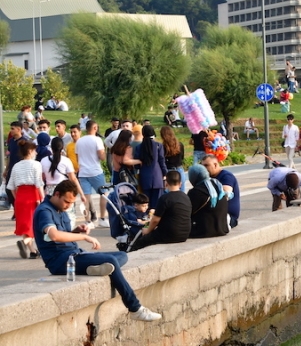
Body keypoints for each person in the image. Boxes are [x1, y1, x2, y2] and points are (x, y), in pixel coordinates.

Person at [33, 180, 161, 321]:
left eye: (71, 203)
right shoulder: (44, 211)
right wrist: (83, 237)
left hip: (75, 254)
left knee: (122, 255)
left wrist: (76, 230)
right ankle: (135, 308)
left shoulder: (60, 209)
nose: (68, 206)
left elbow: (63, 234)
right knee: (112, 261)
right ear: (56, 194)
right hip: (61, 261)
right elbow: (54, 235)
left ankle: (92, 268)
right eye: (66, 202)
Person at [128, 171, 191, 252]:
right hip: (184, 234)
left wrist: (147, 231)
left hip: (169, 235)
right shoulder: (186, 197)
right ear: (180, 184)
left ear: (166, 184)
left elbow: (155, 220)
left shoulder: (165, 198)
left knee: (140, 242)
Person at [7, 139, 44, 258]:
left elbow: (11, 186)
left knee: (25, 225)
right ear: (30, 151)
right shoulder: (36, 164)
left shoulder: (16, 166)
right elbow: (38, 183)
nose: (36, 153)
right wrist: (42, 198)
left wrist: (17, 198)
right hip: (33, 195)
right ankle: (25, 243)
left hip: (20, 197)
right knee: (34, 224)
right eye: (35, 151)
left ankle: (33, 251)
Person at [41, 137, 87, 226]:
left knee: (52, 214)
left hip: (50, 191)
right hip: (64, 190)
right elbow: (73, 179)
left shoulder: (43, 160)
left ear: (51, 148)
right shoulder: (66, 161)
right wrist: (81, 194)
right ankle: (67, 233)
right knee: (68, 215)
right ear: (62, 148)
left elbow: (42, 179)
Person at [75, 120, 110, 227]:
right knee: (103, 194)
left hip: (83, 172)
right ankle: (102, 218)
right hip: (95, 171)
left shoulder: (79, 141)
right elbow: (102, 157)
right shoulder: (97, 140)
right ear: (95, 128)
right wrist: (105, 152)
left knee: (85, 197)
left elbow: (77, 157)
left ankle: (87, 220)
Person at [187, 165, 229, 238]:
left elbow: (187, 212)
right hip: (222, 228)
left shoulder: (196, 192)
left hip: (203, 231)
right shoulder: (218, 185)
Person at [202, 154, 240, 228]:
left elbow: (226, 195)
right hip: (215, 214)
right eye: (202, 166)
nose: (204, 168)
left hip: (228, 217)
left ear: (215, 165)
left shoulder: (226, 176)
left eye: (206, 165)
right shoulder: (207, 178)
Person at [135, 126, 168, 209]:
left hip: (145, 177)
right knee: (157, 204)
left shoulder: (139, 147)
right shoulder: (158, 146)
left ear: (143, 134)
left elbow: (137, 165)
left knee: (146, 204)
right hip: (157, 177)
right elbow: (161, 161)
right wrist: (165, 173)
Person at [160, 126, 185, 193]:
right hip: (179, 169)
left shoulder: (162, 147)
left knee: (168, 193)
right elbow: (182, 157)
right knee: (181, 192)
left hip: (169, 170)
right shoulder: (180, 145)